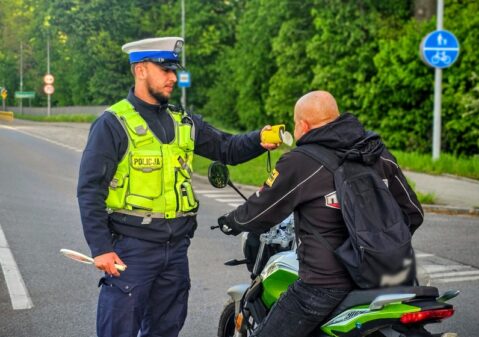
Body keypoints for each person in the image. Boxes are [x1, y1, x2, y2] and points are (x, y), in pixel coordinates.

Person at [77, 37, 278, 337]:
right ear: (141, 70)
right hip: (131, 250)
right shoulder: (113, 124)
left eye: (174, 70)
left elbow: (227, 147)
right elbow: (90, 189)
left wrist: (259, 139)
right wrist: (101, 248)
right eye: (165, 69)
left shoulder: (182, 121)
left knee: (166, 329)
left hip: (176, 250)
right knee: (119, 330)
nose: (173, 77)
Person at [218, 90, 424, 337]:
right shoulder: (376, 152)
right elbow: (413, 212)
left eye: (295, 124)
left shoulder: (300, 161)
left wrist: (231, 222)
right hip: (393, 276)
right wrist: (379, 249)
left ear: (303, 125)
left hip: (324, 284)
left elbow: (259, 212)